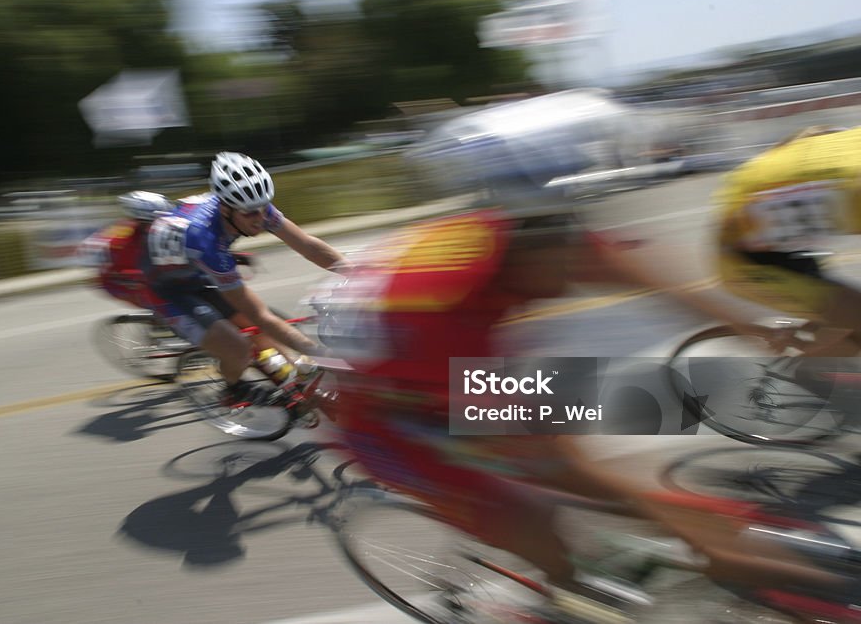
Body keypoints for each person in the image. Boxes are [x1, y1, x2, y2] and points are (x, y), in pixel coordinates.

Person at [318, 112, 852, 617]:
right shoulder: (446, 318)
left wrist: (752, 330)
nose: (581, 247)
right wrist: (707, 537)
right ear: (528, 236)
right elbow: (547, 456)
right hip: (388, 414)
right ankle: (564, 601)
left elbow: (648, 278)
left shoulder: (533, 231)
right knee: (539, 524)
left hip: (449, 360)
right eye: (566, 237)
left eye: (579, 226)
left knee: (622, 457)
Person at [144, 151, 349, 407]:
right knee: (238, 348)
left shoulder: (253, 205)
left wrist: (356, 272)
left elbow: (306, 245)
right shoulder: (204, 238)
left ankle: (294, 380)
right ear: (225, 209)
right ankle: (232, 390)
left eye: (264, 208)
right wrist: (323, 355)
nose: (261, 219)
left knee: (265, 336)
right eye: (251, 214)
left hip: (195, 266)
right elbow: (259, 315)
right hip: (167, 289)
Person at [713, 124, 861, 357]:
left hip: (765, 220)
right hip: (744, 256)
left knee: (847, 315)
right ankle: (813, 366)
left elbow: (814, 131)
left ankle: (829, 346)